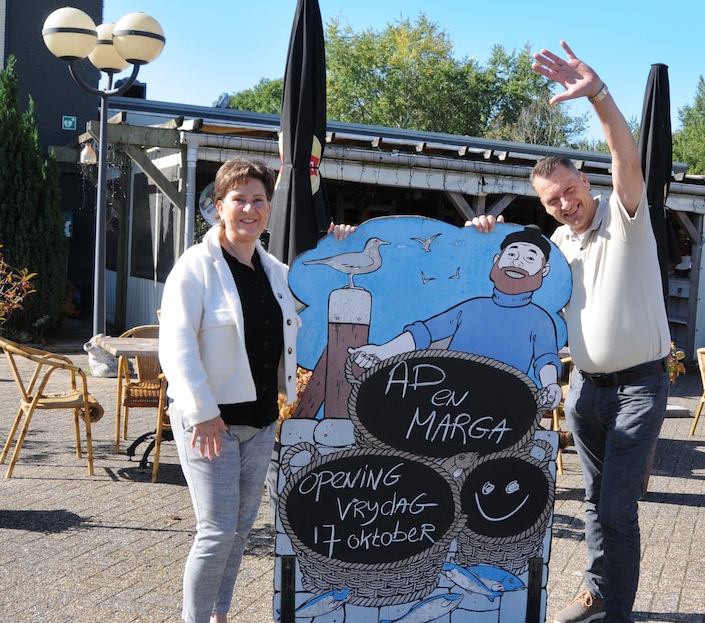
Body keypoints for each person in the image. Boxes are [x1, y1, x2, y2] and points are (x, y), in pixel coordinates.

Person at [469, 42, 670, 623]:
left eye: (569, 189)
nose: (564, 203)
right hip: (584, 390)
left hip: (638, 387)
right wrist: (484, 237)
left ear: (584, 178)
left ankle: (616, 612)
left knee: (617, 508)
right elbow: (508, 289)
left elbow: (626, 158)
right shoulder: (556, 245)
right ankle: (596, 591)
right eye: (552, 200)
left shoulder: (626, 216)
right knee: (592, 501)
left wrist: (599, 96)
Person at [158, 156, 351, 623]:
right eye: (239, 199)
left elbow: (319, 299)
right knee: (216, 531)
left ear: (268, 207)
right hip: (211, 423)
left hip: (262, 421)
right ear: (219, 206)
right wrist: (202, 411)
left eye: (258, 200)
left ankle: (219, 614)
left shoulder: (276, 271)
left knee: (240, 529)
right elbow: (177, 345)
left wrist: (342, 244)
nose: (249, 209)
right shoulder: (195, 267)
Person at [348, 226, 564, 409]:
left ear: (544, 270)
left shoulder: (540, 320)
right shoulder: (472, 308)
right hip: (448, 401)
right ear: (497, 260)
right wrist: (382, 352)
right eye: (512, 255)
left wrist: (550, 386)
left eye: (530, 258)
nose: (517, 263)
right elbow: (424, 333)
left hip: (501, 408)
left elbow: (545, 359)